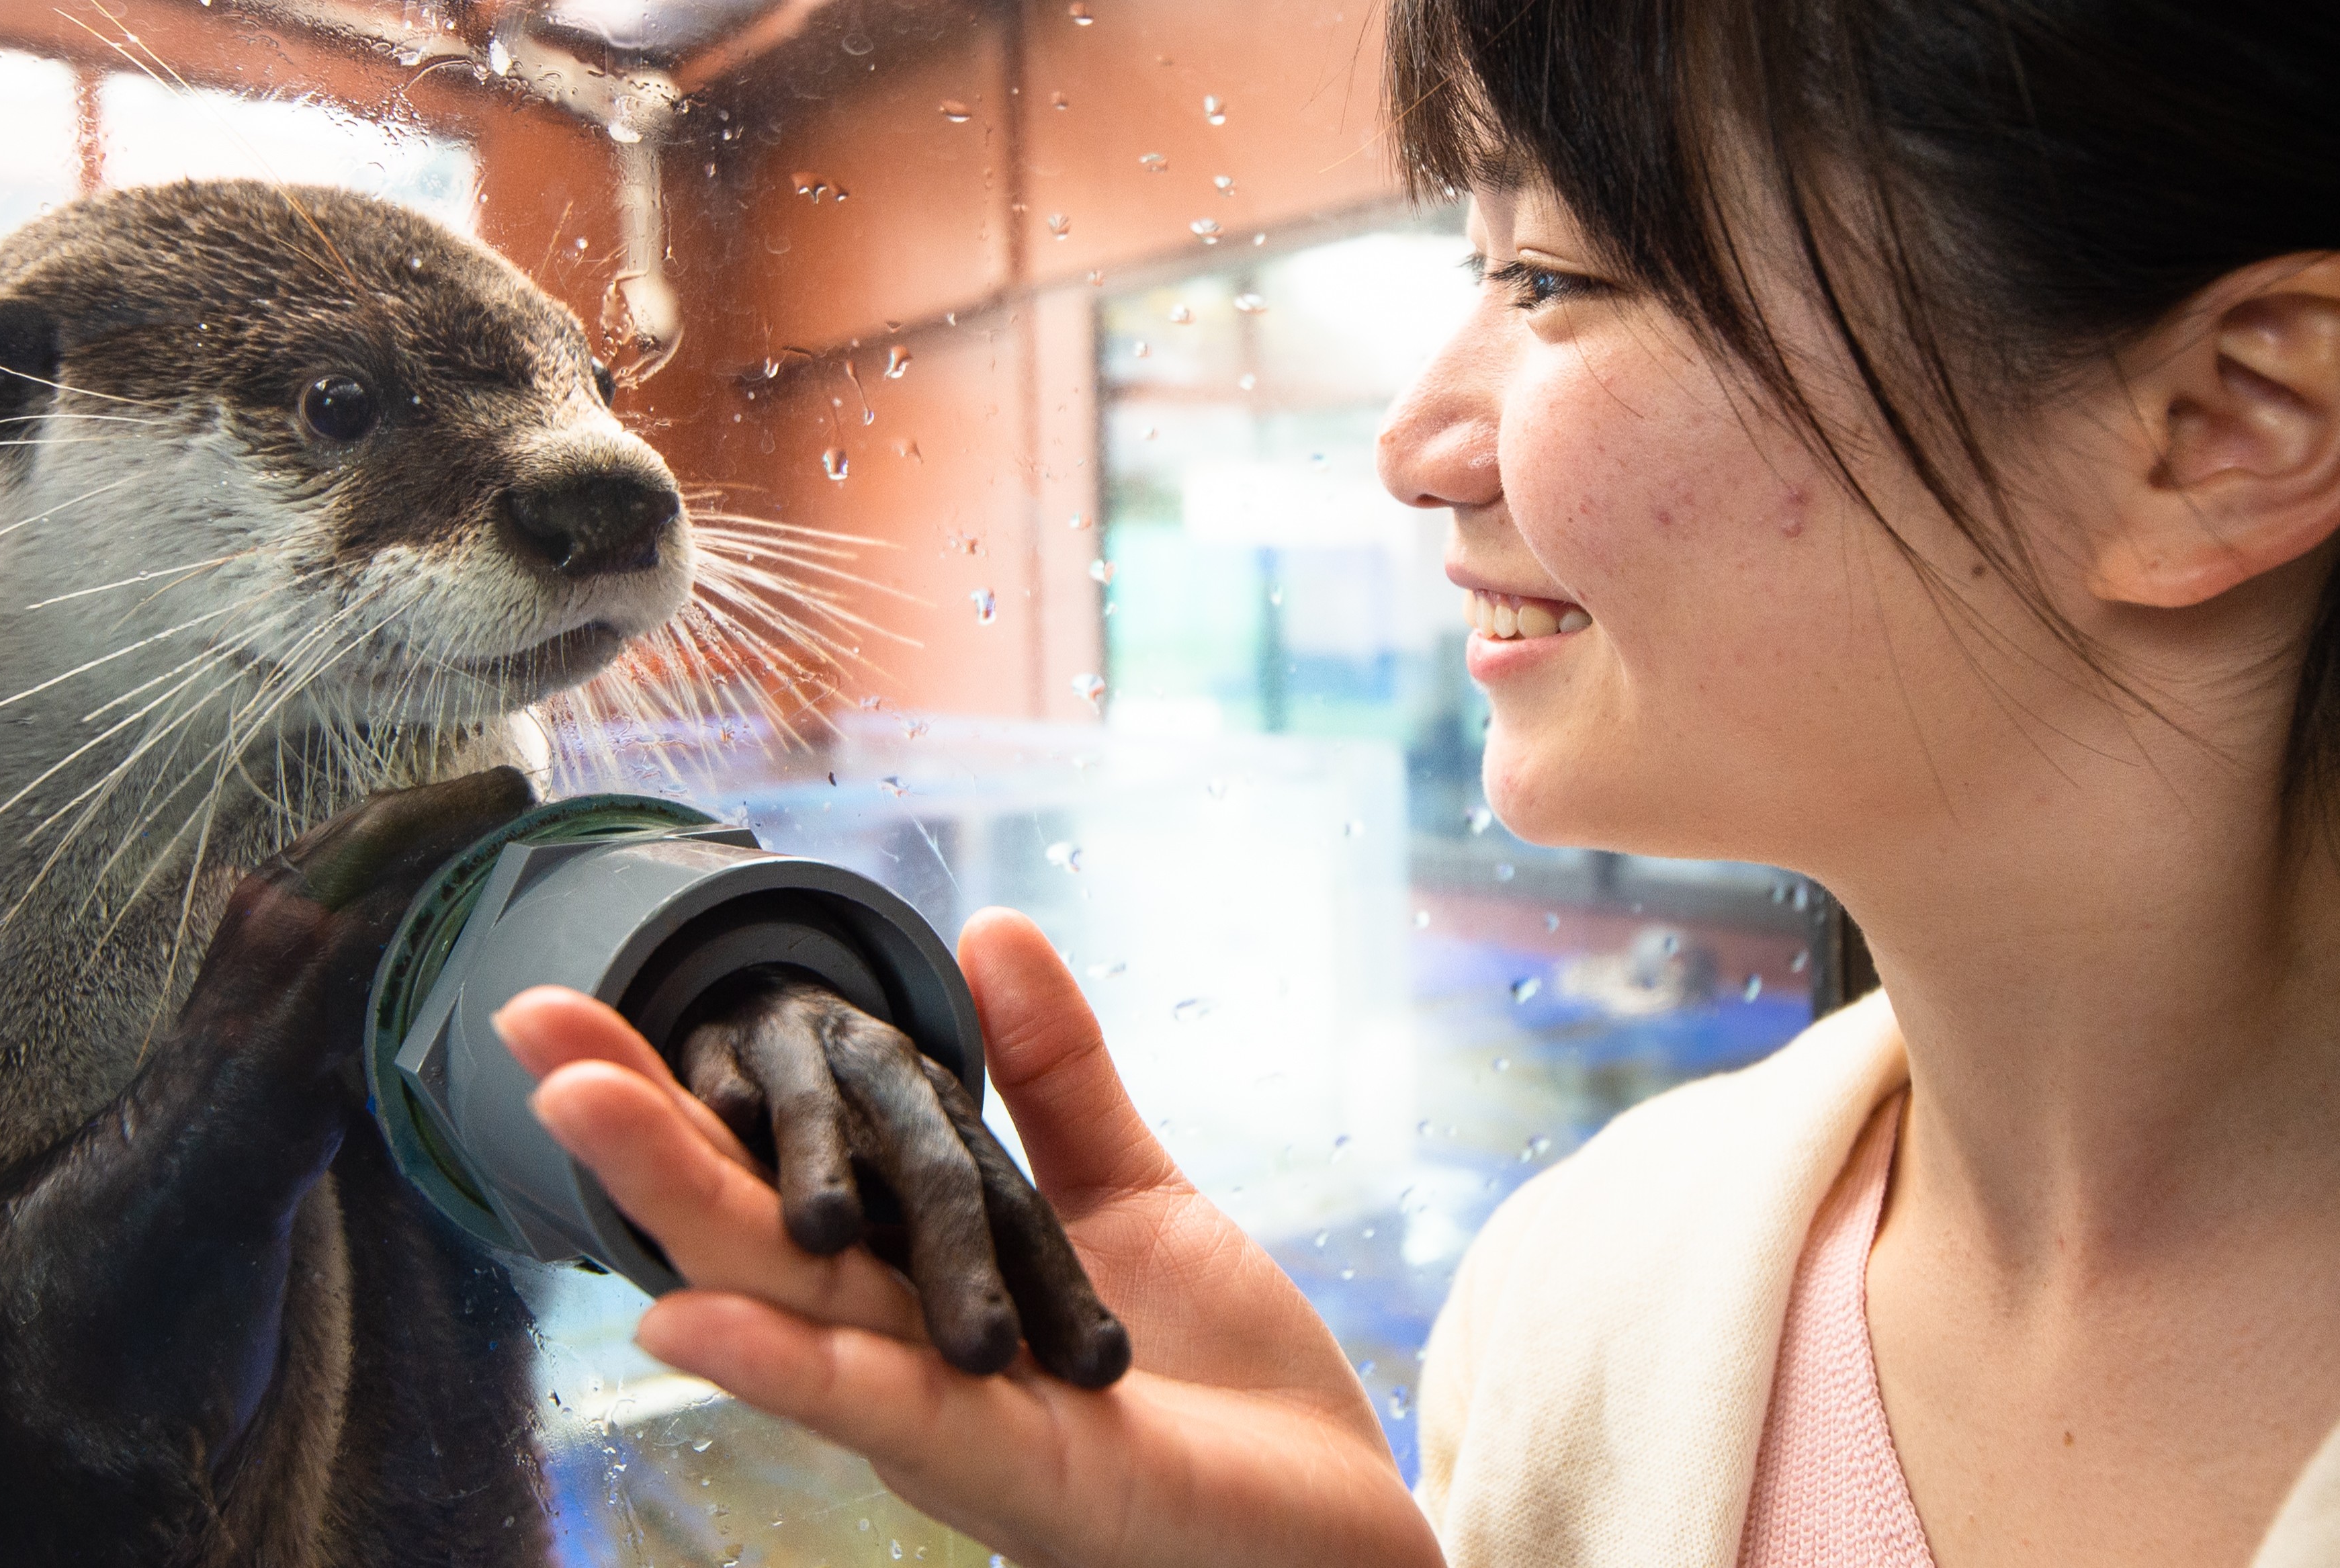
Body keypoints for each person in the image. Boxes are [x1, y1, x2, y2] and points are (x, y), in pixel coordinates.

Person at [488, 0, 2340, 1561]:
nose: (1414, 445)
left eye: (1553, 277)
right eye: (1475, 266)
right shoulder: (1582, 1310)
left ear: (2221, 433)